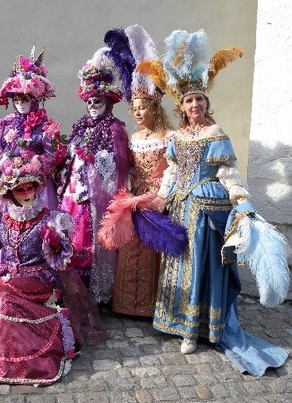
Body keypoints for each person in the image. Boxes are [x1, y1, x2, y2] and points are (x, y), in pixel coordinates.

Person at [138, 29, 288, 375]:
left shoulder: (215, 134)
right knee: (181, 264)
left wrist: (242, 200)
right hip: (180, 207)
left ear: (207, 103)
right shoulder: (175, 136)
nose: (195, 105)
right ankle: (177, 324)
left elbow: (228, 173)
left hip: (208, 208)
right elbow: (172, 172)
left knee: (206, 265)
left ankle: (199, 329)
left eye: (200, 100)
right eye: (189, 101)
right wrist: (162, 196)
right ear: (181, 105)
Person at [0, 150, 103, 385]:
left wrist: (56, 243)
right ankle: (2, 355)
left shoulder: (52, 218)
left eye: (30, 188)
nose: (27, 194)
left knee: (2, 299)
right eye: (20, 190)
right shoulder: (0, 220)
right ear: (9, 193)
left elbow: (65, 258)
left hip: (40, 280)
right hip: (10, 280)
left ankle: (19, 360)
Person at [0, 47, 66, 290]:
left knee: (37, 234)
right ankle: (5, 276)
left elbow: (53, 158)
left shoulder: (46, 126)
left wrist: (33, 167)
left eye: (25, 99)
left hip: (36, 189)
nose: (21, 104)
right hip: (9, 186)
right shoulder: (4, 124)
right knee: (4, 228)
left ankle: (39, 277)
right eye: (17, 99)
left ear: (36, 98)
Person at [59, 28, 132, 303]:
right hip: (75, 193)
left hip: (98, 196)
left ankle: (97, 292)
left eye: (97, 101)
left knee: (94, 239)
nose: (92, 105)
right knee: (73, 235)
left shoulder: (114, 128)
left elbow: (117, 165)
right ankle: (72, 288)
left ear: (107, 102)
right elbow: (70, 157)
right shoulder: (81, 125)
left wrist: (96, 159)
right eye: (89, 101)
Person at [107, 25, 173, 317]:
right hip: (134, 198)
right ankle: (125, 304)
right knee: (130, 246)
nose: (136, 112)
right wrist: (130, 181)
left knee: (151, 247)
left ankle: (149, 306)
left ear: (154, 109)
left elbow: (173, 168)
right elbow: (131, 166)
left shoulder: (168, 137)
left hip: (158, 199)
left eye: (142, 107)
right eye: (134, 107)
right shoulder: (134, 138)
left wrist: (160, 194)